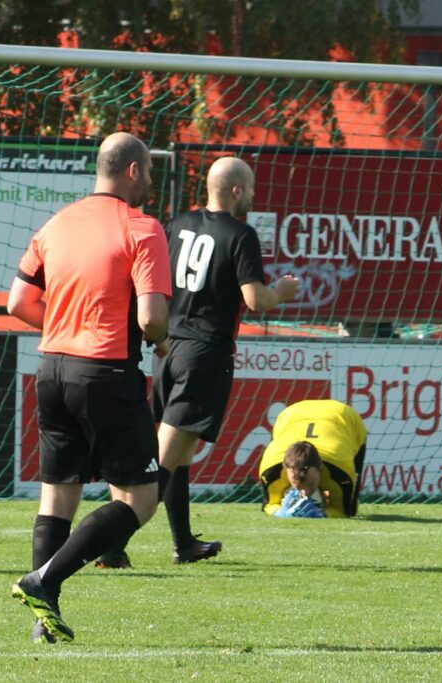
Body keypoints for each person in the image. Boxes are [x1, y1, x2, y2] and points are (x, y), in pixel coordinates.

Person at [5, 132, 172, 643]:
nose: (150, 181)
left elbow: (18, 303)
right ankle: (43, 580)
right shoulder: (142, 227)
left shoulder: (57, 224)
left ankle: (44, 622)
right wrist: (160, 340)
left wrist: (68, 328)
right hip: (105, 374)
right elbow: (151, 318)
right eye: (148, 171)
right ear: (132, 170)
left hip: (52, 368)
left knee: (58, 496)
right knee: (142, 499)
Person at [97, 156, 299, 568]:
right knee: (163, 460)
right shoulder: (241, 234)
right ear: (236, 190)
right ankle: (111, 545)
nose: (254, 195)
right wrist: (281, 291)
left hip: (168, 350)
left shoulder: (175, 225)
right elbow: (255, 299)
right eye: (251, 188)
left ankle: (184, 543)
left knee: (179, 455)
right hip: (204, 355)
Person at [258, 400, 368, 518]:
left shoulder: (341, 472)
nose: (305, 493)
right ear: (284, 467)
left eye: (310, 484)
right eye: (296, 484)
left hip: (343, 415)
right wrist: (281, 513)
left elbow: (342, 511)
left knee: (351, 509)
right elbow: (269, 505)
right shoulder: (270, 471)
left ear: (320, 466)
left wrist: (322, 514)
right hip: (291, 415)